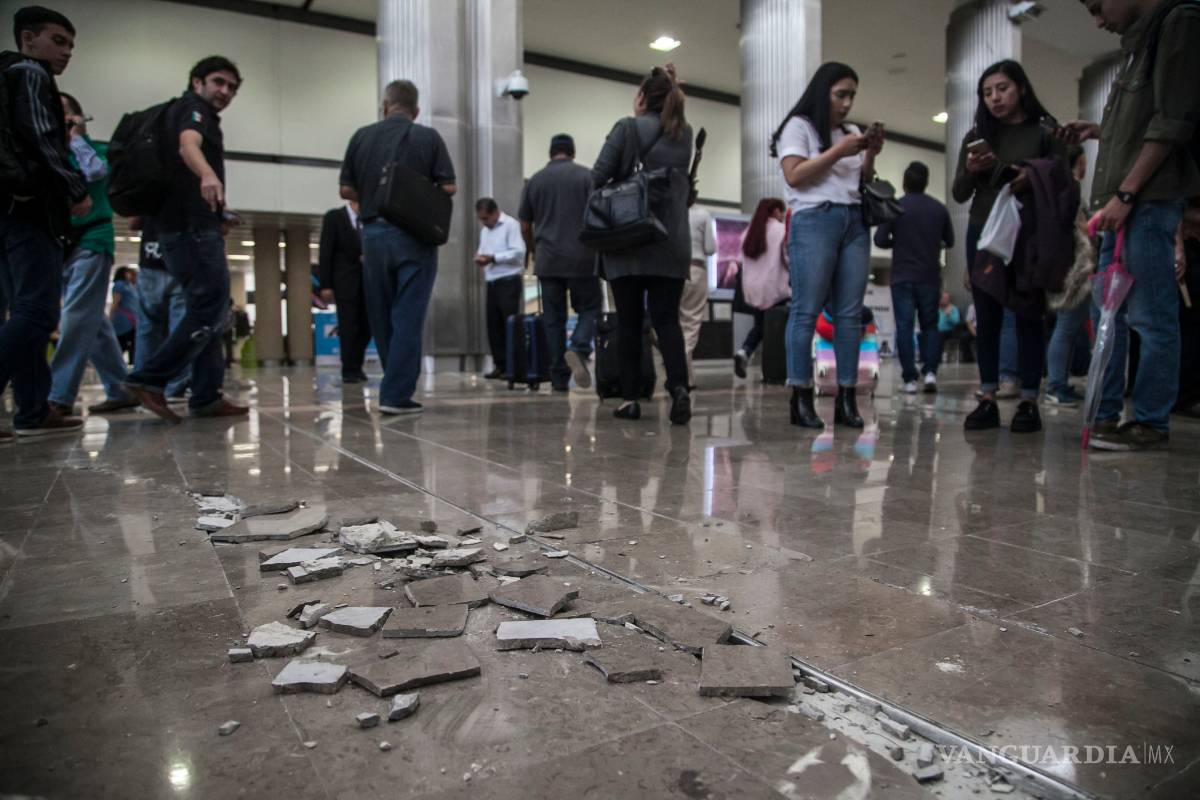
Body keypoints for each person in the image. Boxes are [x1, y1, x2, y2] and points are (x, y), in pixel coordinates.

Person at [1059, 0, 1200, 451]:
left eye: (1098, 7)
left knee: (1150, 316)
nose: (1098, 20)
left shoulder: (1179, 23)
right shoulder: (1138, 44)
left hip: (1147, 202)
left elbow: (1172, 122)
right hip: (1122, 205)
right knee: (1109, 316)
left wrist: (1127, 193)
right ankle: (1106, 415)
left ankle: (1150, 421)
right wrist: (1100, 131)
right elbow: (1145, 122)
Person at [123, 56, 248, 423]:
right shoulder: (194, 111)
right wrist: (209, 175)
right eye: (218, 82)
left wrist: (217, 211)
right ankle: (150, 378)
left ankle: (207, 395)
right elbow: (188, 145)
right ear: (197, 82)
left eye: (231, 87)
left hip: (183, 227)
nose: (224, 91)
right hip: (191, 230)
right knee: (208, 306)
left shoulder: (174, 112)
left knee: (207, 308)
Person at [953, 59, 1065, 433]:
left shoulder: (1043, 132)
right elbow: (959, 193)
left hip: (1028, 232)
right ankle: (987, 395)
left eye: (1002, 88)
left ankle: (1029, 398)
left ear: (1020, 88)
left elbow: (1064, 182)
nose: (995, 98)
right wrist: (972, 167)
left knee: (1028, 313)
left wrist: (1029, 177)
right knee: (987, 316)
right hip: (984, 232)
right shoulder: (976, 135)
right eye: (987, 92)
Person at [771, 61, 883, 429]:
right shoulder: (799, 127)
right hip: (814, 218)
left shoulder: (849, 131)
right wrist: (840, 151)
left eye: (852, 95)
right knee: (806, 309)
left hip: (854, 219)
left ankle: (847, 398)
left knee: (850, 314)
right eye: (841, 94)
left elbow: (862, 179)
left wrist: (869, 153)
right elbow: (795, 174)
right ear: (824, 93)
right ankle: (800, 395)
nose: (848, 103)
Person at [339, 79, 456, 416]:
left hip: (373, 236)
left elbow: (346, 190)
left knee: (381, 315)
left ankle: (394, 384)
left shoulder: (361, 136)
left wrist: (375, 195)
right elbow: (448, 186)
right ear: (416, 110)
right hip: (415, 236)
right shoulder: (427, 137)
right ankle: (396, 393)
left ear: (385, 105)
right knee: (408, 315)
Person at [0, 5, 88, 441]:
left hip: (7, 209)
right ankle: (32, 409)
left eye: (70, 44)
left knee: (23, 311)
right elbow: (40, 138)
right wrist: (76, 187)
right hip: (31, 209)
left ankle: (33, 410)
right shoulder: (31, 74)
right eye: (58, 41)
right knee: (37, 311)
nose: (66, 52)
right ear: (28, 37)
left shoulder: (5, 74)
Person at [591, 65, 694, 424]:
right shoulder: (686, 133)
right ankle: (679, 387)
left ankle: (630, 399)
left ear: (640, 98)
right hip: (671, 241)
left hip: (629, 240)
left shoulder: (628, 128)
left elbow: (596, 177)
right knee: (667, 320)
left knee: (630, 323)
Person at [47, 92, 139, 417]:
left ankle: (58, 396)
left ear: (78, 117)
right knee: (92, 322)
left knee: (74, 316)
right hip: (60, 243)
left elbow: (96, 173)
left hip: (93, 239)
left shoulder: (94, 151)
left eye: (64, 113)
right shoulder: (47, 154)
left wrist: (75, 137)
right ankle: (120, 388)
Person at [519, 133, 598, 391]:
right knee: (590, 307)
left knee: (553, 319)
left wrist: (533, 249)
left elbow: (525, 224)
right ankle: (579, 346)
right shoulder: (587, 177)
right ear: (572, 152)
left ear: (550, 152)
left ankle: (558, 377)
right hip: (582, 257)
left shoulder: (535, 181)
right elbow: (598, 216)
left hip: (547, 258)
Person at [875, 161, 954, 394]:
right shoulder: (939, 209)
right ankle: (930, 373)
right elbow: (949, 241)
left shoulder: (896, 206)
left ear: (904, 182)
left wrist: (897, 242)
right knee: (930, 325)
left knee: (904, 326)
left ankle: (909, 380)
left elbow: (879, 240)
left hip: (902, 276)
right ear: (927, 182)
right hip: (929, 276)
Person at [1044, 146, 1095, 406]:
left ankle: (1058, 382)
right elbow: (1081, 229)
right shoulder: (1070, 190)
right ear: (1079, 160)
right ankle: (1056, 385)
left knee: (1066, 327)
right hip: (1074, 269)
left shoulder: (1055, 190)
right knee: (1066, 327)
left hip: (1062, 268)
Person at [131, 215, 190, 401]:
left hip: (151, 259)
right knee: (180, 330)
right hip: (181, 261)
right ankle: (175, 385)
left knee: (147, 330)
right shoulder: (190, 189)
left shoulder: (147, 187)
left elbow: (133, 222)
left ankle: (142, 383)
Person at [733, 197, 789, 378]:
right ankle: (779, 369)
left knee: (760, 326)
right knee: (780, 328)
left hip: (754, 290)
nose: (782, 215)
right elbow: (788, 258)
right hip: (776, 288)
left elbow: (740, 262)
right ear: (775, 211)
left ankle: (744, 352)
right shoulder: (781, 230)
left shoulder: (748, 233)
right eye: (781, 211)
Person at [317, 199, 371, 383]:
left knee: (367, 326)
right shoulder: (335, 217)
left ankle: (357, 362)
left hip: (368, 282)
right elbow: (326, 251)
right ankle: (349, 368)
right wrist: (326, 284)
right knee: (348, 326)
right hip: (345, 282)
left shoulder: (370, 218)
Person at [474, 197, 525, 379]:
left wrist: (493, 258)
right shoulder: (485, 231)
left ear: (495, 212)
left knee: (509, 324)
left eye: (487, 218)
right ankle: (500, 364)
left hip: (508, 280)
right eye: (481, 219)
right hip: (492, 280)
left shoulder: (510, 225)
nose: (485, 222)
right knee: (493, 325)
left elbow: (518, 253)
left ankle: (514, 366)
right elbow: (483, 250)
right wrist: (481, 258)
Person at [680, 196, 714, 388]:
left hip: (672, 272)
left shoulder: (669, 212)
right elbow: (710, 248)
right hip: (695, 269)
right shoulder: (702, 215)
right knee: (691, 323)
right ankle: (684, 376)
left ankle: (682, 375)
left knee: (672, 323)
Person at [937, 292, 974, 363]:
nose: (944, 300)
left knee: (939, 336)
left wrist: (949, 316)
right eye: (943, 298)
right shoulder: (937, 309)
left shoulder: (953, 308)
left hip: (951, 331)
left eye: (946, 298)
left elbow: (957, 322)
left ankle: (938, 360)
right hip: (938, 331)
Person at [110, 266, 137, 363]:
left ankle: (132, 362)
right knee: (123, 342)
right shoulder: (119, 285)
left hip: (132, 319)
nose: (130, 275)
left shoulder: (129, 285)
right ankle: (116, 362)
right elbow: (115, 302)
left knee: (132, 343)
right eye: (128, 272)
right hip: (123, 318)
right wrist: (110, 316)